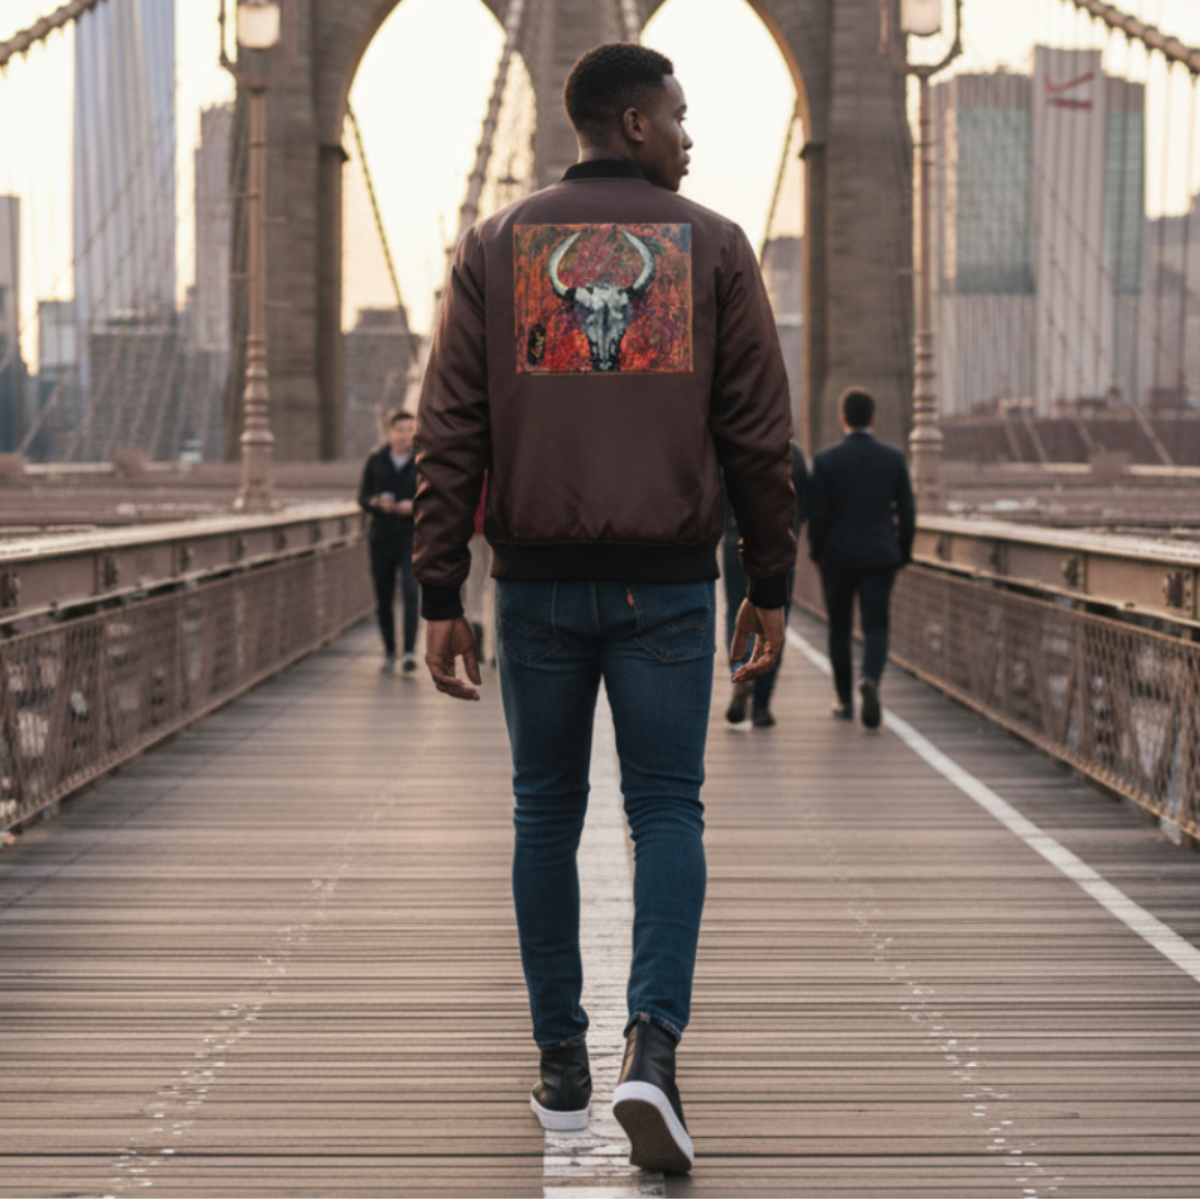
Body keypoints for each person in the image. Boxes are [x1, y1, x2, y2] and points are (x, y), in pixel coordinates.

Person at [412, 43, 796, 1175]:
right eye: (679, 117)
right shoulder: (717, 245)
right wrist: (771, 581)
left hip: (530, 583)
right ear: (631, 124)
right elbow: (761, 438)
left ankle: (561, 1068)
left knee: (544, 812)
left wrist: (442, 590)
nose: (691, 137)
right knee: (667, 810)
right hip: (672, 581)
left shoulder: (493, 247)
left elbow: (449, 431)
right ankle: (653, 1057)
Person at [806, 388, 915, 728]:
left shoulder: (825, 462)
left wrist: (817, 551)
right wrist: (903, 553)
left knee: (839, 628)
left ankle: (844, 701)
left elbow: (816, 514)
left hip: (837, 557)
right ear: (873, 419)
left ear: (842, 420)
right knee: (877, 626)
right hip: (880, 555)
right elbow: (908, 514)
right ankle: (870, 678)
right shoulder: (893, 458)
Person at [723, 441, 808, 727]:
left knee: (737, 614)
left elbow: (718, 500)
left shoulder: (734, 449)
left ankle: (740, 677)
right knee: (773, 623)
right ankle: (761, 707)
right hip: (778, 548)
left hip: (738, 543)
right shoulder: (793, 455)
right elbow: (805, 505)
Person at [358, 408, 420, 673]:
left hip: (410, 535)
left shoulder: (422, 461)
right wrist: (376, 502)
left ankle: (408, 652)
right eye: (400, 429)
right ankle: (389, 651)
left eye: (409, 429)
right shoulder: (376, 460)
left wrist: (414, 506)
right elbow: (362, 497)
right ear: (389, 432)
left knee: (410, 590)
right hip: (381, 536)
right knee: (383, 596)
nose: (404, 435)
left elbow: (434, 498)